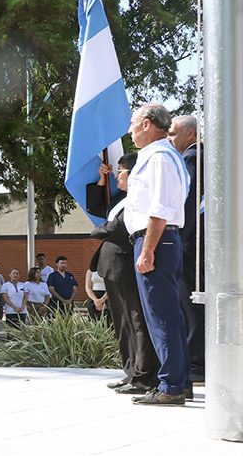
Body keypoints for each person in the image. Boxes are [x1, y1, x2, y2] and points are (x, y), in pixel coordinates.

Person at [123, 103, 191, 406]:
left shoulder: (160, 158)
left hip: (156, 241)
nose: (130, 130)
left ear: (147, 124)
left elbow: (160, 208)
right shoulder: (160, 156)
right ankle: (179, 382)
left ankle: (171, 386)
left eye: (133, 123)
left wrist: (148, 249)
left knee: (161, 317)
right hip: (160, 240)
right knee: (168, 316)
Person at [92, 152, 161, 395]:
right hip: (112, 267)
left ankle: (144, 374)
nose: (116, 176)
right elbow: (97, 207)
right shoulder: (122, 198)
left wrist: (97, 231)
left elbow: (119, 227)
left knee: (136, 320)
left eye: (120, 172)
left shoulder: (140, 198)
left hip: (126, 265)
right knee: (122, 324)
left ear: (134, 174)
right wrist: (101, 180)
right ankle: (131, 371)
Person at [169, 114, 205, 381]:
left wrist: (179, 239)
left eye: (173, 133)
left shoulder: (192, 158)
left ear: (190, 134)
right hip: (199, 244)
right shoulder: (203, 156)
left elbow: (188, 204)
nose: (169, 138)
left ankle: (196, 364)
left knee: (190, 304)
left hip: (191, 246)